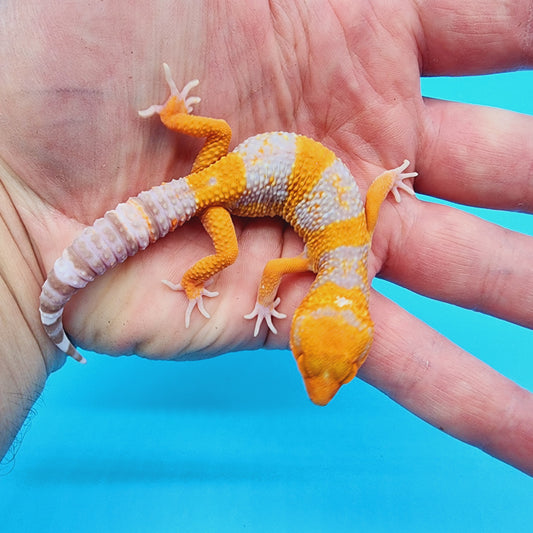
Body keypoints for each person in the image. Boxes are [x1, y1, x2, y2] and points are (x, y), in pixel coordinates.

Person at [0, 0, 532, 474]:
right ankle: (190, 280)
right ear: (349, 324)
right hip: (222, 194)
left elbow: (359, 210)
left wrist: (390, 179)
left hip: (219, 167)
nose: (317, 382)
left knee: (222, 136)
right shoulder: (327, 262)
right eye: (321, 365)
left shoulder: (348, 250)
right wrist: (259, 303)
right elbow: (276, 271)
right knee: (225, 252)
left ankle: (173, 118)